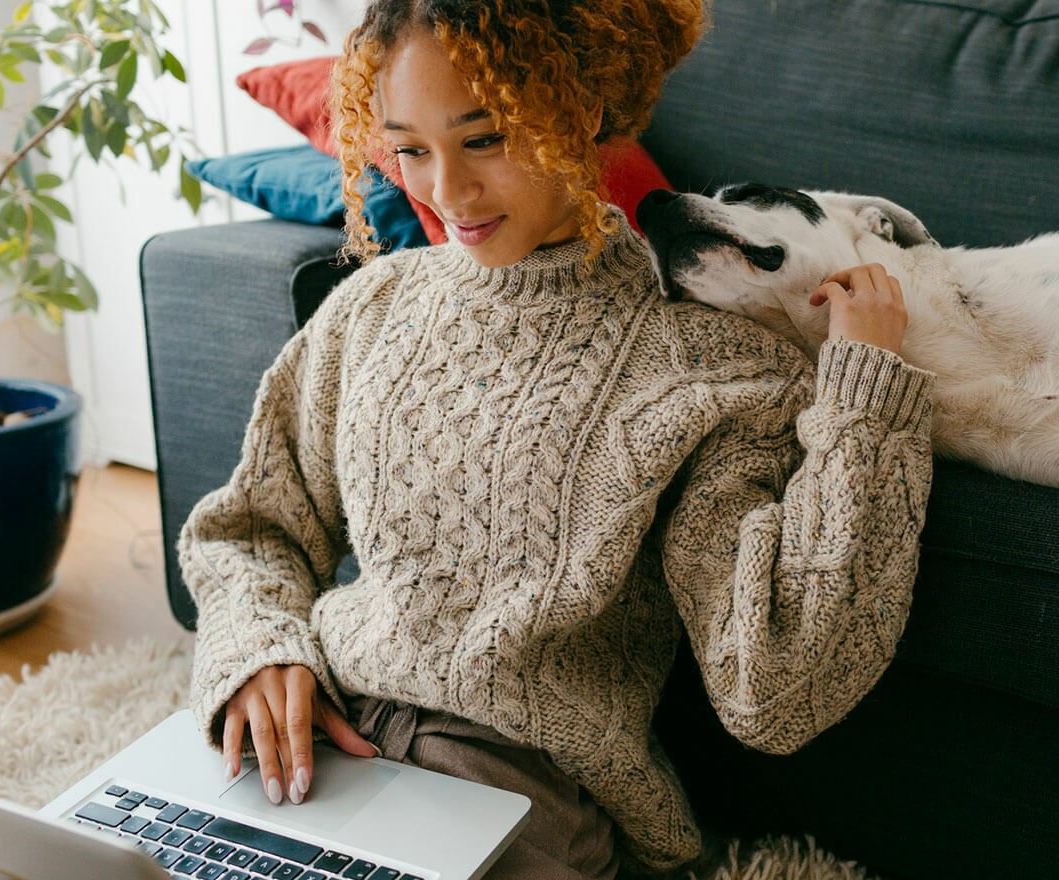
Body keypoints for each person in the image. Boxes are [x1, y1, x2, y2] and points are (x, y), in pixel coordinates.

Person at [179, 0, 936, 876]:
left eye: (485, 138)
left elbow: (774, 687)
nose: (447, 192)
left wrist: (863, 401)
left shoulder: (713, 366)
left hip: (510, 792)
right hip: (311, 744)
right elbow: (249, 529)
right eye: (411, 149)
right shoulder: (373, 307)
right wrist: (259, 651)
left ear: (582, 107)